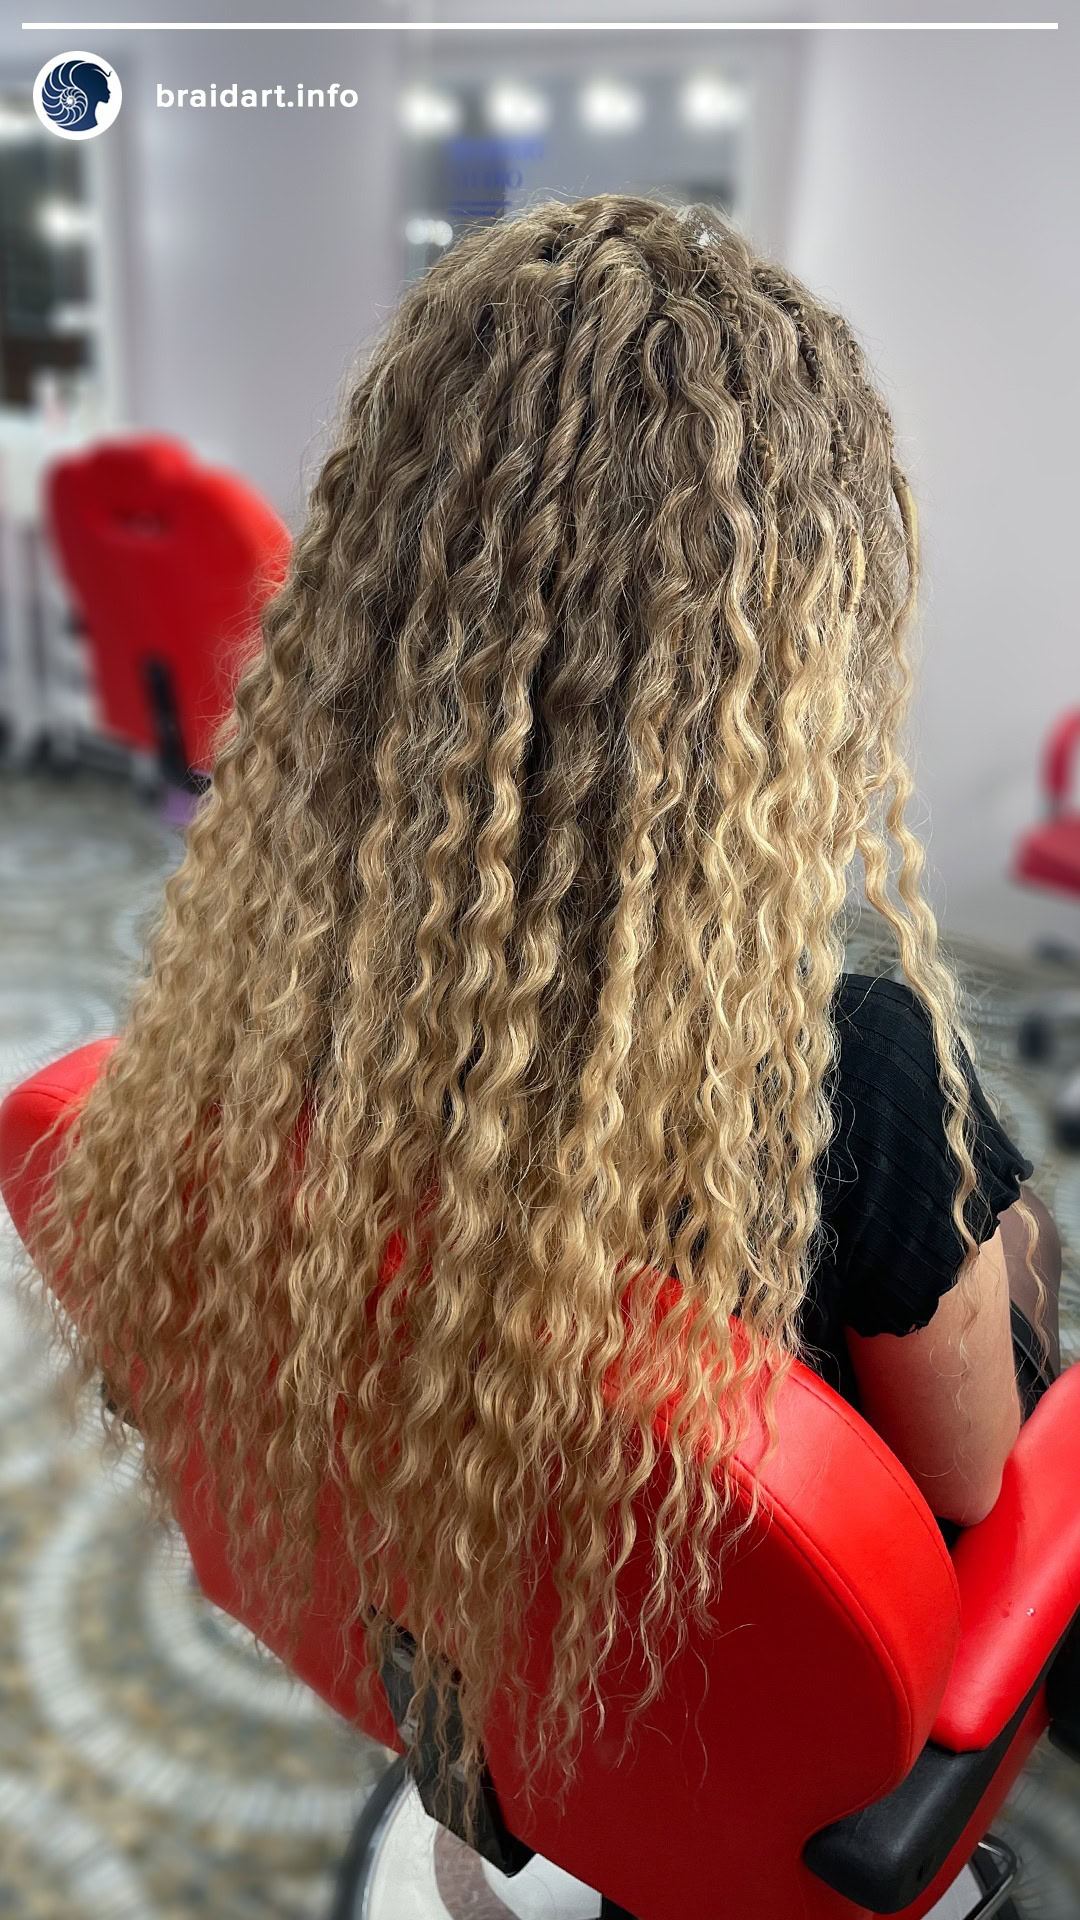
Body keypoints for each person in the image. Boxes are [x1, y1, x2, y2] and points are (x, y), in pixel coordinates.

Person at [26, 192, 1062, 1829]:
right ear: (784, 653)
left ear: (368, 602)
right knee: (1007, 1233)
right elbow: (975, 1482)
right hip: (726, 1716)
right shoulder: (854, 1075)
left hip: (448, 1619)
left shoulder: (266, 990)